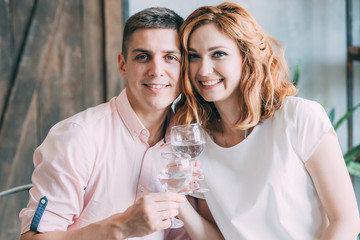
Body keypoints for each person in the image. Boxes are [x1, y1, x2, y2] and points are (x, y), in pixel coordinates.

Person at [19, 7, 221, 240]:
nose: (157, 71)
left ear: (184, 67)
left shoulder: (188, 143)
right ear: (123, 65)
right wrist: (121, 227)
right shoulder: (77, 137)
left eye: (170, 57)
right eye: (143, 56)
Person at [175, 2, 360, 239]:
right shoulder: (197, 144)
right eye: (193, 57)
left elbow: (345, 221)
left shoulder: (300, 118)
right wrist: (179, 204)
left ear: (246, 57)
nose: (203, 69)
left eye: (218, 54)